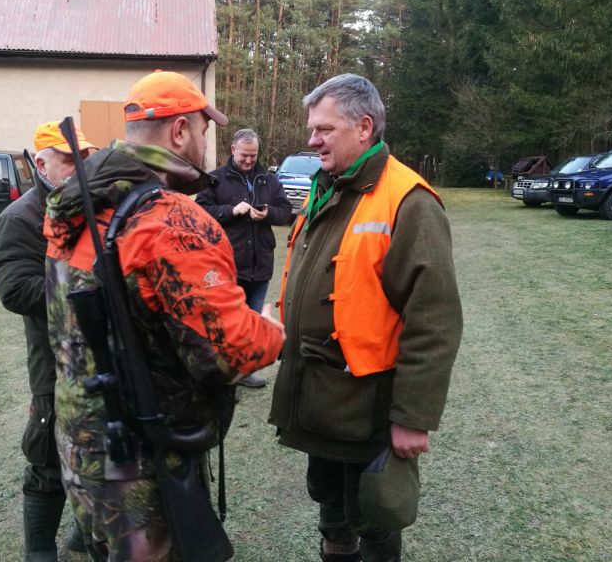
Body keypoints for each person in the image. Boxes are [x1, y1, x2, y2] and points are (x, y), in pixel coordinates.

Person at [43, 70, 285, 561]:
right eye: (203, 129)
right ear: (179, 131)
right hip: (144, 457)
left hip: (83, 443)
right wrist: (274, 331)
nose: (204, 142)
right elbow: (230, 351)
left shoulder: (76, 205)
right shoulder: (170, 220)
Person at [268, 74, 463, 562]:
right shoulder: (327, 187)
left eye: (324, 129)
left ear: (364, 127)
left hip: (368, 407)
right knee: (332, 508)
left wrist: (413, 418)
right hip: (319, 397)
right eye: (312, 130)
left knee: (375, 513)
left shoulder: (408, 200)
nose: (313, 140)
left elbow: (434, 320)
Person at [0, 121, 95, 561]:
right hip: (52, 359)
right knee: (48, 456)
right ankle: (39, 550)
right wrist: (87, 291)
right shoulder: (20, 218)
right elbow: (15, 290)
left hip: (98, 355)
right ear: (41, 162)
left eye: (84, 158)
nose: (78, 168)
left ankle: (82, 533)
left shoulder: (91, 206)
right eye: (68, 159)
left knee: (94, 449)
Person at [195, 128, 292, 388]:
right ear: (233, 150)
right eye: (244, 155)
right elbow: (200, 211)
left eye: (253, 155)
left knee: (251, 321)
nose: (249, 160)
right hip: (228, 266)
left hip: (260, 265)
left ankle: (243, 372)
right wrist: (230, 210)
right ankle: (223, 375)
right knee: (225, 323)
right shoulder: (215, 179)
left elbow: (286, 211)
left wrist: (268, 213)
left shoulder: (269, 180)